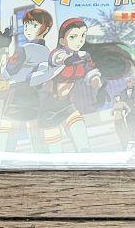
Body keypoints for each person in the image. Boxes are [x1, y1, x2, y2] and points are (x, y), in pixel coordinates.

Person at [0, 7, 54, 153]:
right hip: (36, 95)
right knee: (35, 131)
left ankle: (2, 159)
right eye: (26, 25)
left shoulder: (23, 49)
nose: (27, 29)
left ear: (45, 29)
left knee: (9, 130)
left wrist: (2, 50)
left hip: (17, 94)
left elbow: (4, 74)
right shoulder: (47, 52)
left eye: (34, 25)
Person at [39, 18, 101, 151]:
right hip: (47, 107)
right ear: (62, 41)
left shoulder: (83, 56)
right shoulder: (58, 53)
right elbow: (57, 58)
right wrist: (67, 59)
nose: (79, 40)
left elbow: (90, 70)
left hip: (66, 104)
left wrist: (95, 79)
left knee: (82, 141)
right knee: (55, 150)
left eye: (83, 35)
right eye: (73, 36)